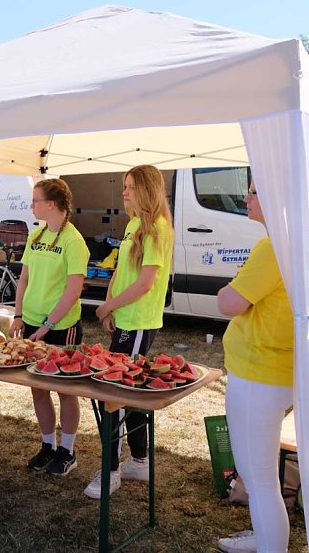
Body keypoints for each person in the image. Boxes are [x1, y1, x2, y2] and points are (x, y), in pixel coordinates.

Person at [85, 164, 174, 499]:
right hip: (123, 317)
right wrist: (108, 306)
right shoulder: (134, 224)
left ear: (148, 190)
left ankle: (111, 471)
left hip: (138, 322)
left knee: (114, 394)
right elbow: (121, 270)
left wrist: (110, 306)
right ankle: (139, 460)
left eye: (131, 187)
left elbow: (145, 283)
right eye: (124, 186)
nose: (124, 192)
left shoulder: (157, 228)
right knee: (130, 391)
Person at [215, 181, 294, 553]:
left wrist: (226, 290)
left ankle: (270, 544)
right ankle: (264, 537)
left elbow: (229, 302)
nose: (245, 198)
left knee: (259, 480)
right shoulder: (300, 242)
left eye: (253, 190)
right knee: (263, 476)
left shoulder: (273, 246)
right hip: (281, 370)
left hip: (258, 373)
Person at [9, 178, 89, 476]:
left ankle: (68, 450)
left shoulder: (74, 241)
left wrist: (48, 324)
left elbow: (73, 291)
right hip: (31, 322)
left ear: (51, 204)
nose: (31, 205)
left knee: (65, 390)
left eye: (35, 200)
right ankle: (48, 446)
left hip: (61, 326)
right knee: (38, 387)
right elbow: (24, 279)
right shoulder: (37, 235)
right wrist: (18, 315)